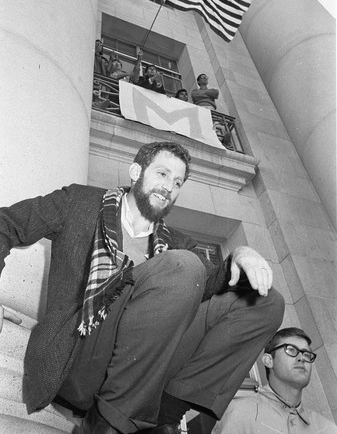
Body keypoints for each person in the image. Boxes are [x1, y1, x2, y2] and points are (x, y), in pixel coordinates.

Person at [0, 141, 284, 434]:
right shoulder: (80, 202)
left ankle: (165, 415)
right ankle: (112, 424)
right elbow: (5, 223)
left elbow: (211, 283)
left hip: (144, 370)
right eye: (162, 174)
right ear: (136, 172)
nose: (168, 188)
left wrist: (241, 253)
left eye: (177, 182)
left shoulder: (178, 243)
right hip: (80, 348)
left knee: (267, 303)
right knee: (181, 266)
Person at [212, 327, 337, 433]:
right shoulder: (238, 413)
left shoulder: (327, 428)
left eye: (306, 354)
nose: (301, 358)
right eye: (291, 350)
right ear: (268, 360)